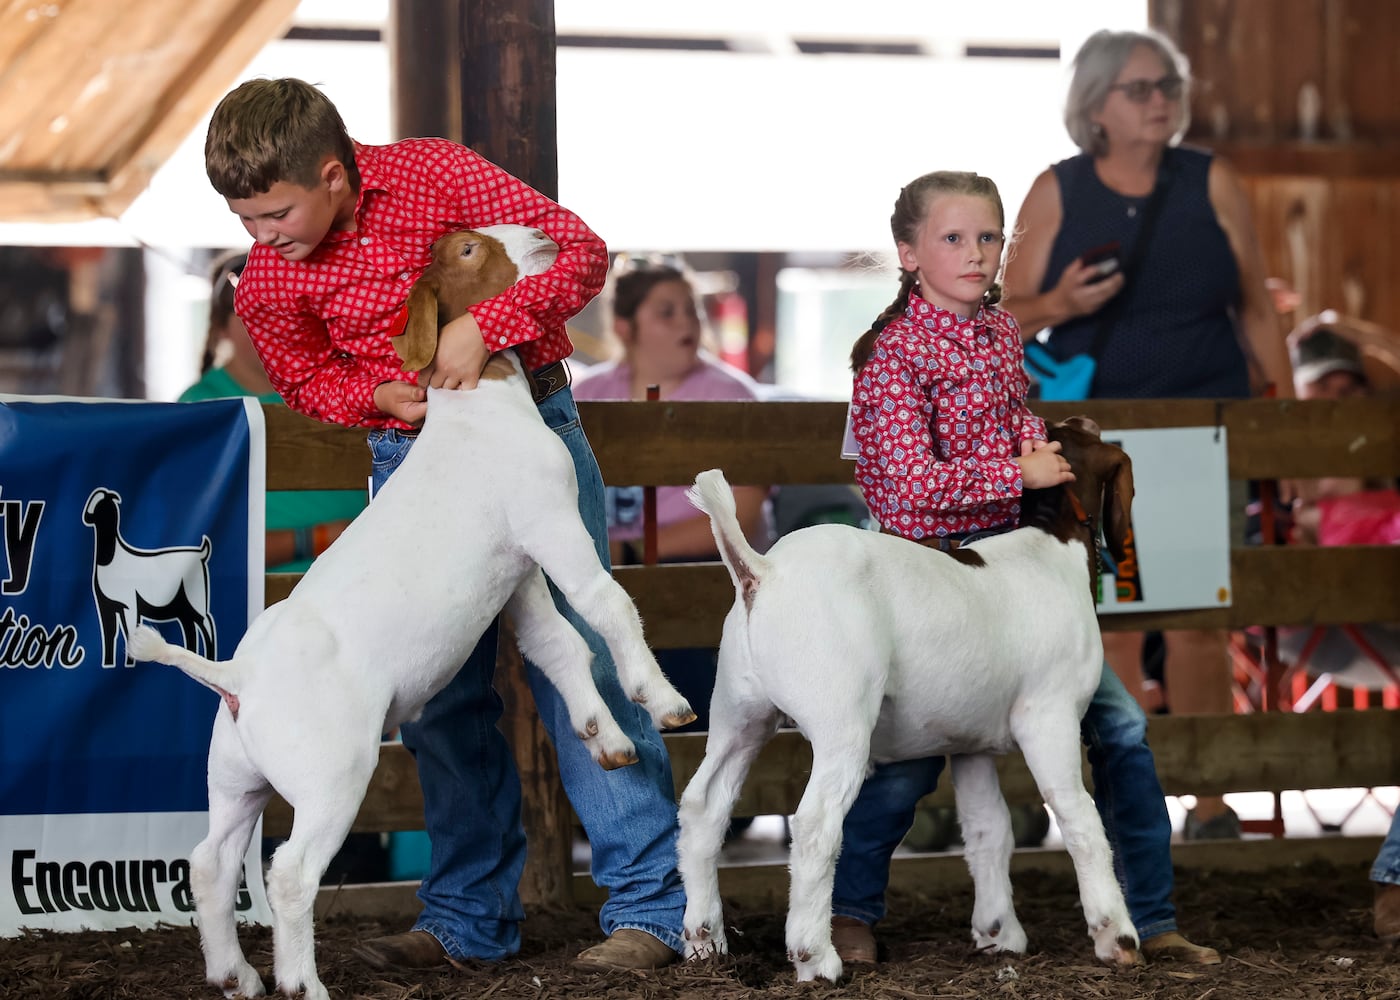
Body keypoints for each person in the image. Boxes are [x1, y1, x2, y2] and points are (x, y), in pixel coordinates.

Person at [203, 77, 684, 972]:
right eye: (245, 216)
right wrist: (375, 395)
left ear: (334, 174)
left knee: (584, 646)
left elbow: (577, 250)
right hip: (412, 460)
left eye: (275, 210)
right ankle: (467, 917)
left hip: (527, 423)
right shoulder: (270, 280)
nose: (260, 236)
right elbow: (307, 380)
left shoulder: (435, 173)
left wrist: (486, 327)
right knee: (437, 695)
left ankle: (652, 910)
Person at [832, 169, 1220, 968]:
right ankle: (847, 910)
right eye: (952, 239)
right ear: (908, 253)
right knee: (902, 766)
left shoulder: (1001, 334)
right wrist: (1021, 477)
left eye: (987, 238)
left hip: (1015, 581)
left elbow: (1011, 418)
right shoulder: (891, 357)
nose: (975, 255)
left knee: (1119, 726)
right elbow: (905, 488)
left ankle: (1152, 915)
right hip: (923, 582)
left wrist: (1044, 438)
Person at [1000, 27, 1296, 841]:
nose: (1161, 99)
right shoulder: (1056, 190)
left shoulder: (1213, 180)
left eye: (1167, 84)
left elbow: (1257, 307)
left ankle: (1208, 800)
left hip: (1204, 425)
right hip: (1098, 440)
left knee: (1203, 616)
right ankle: (1129, 805)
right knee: (1113, 621)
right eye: (1141, 88)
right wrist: (1061, 303)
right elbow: (1000, 316)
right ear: (1095, 106)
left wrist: (1291, 422)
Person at [572, 258, 772, 732]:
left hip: (705, 575)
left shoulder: (730, 395)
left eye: (690, 309)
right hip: (607, 573)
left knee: (688, 648)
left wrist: (634, 549)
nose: (686, 321)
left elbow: (742, 513)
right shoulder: (590, 396)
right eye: (667, 311)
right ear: (626, 325)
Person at [179, 250, 364, 575]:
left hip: (368, 574)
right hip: (270, 595)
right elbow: (195, 541)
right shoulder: (199, 407)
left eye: (283, 309)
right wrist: (321, 538)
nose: (272, 326)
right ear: (221, 328)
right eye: (253, 313)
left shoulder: (346, 383)